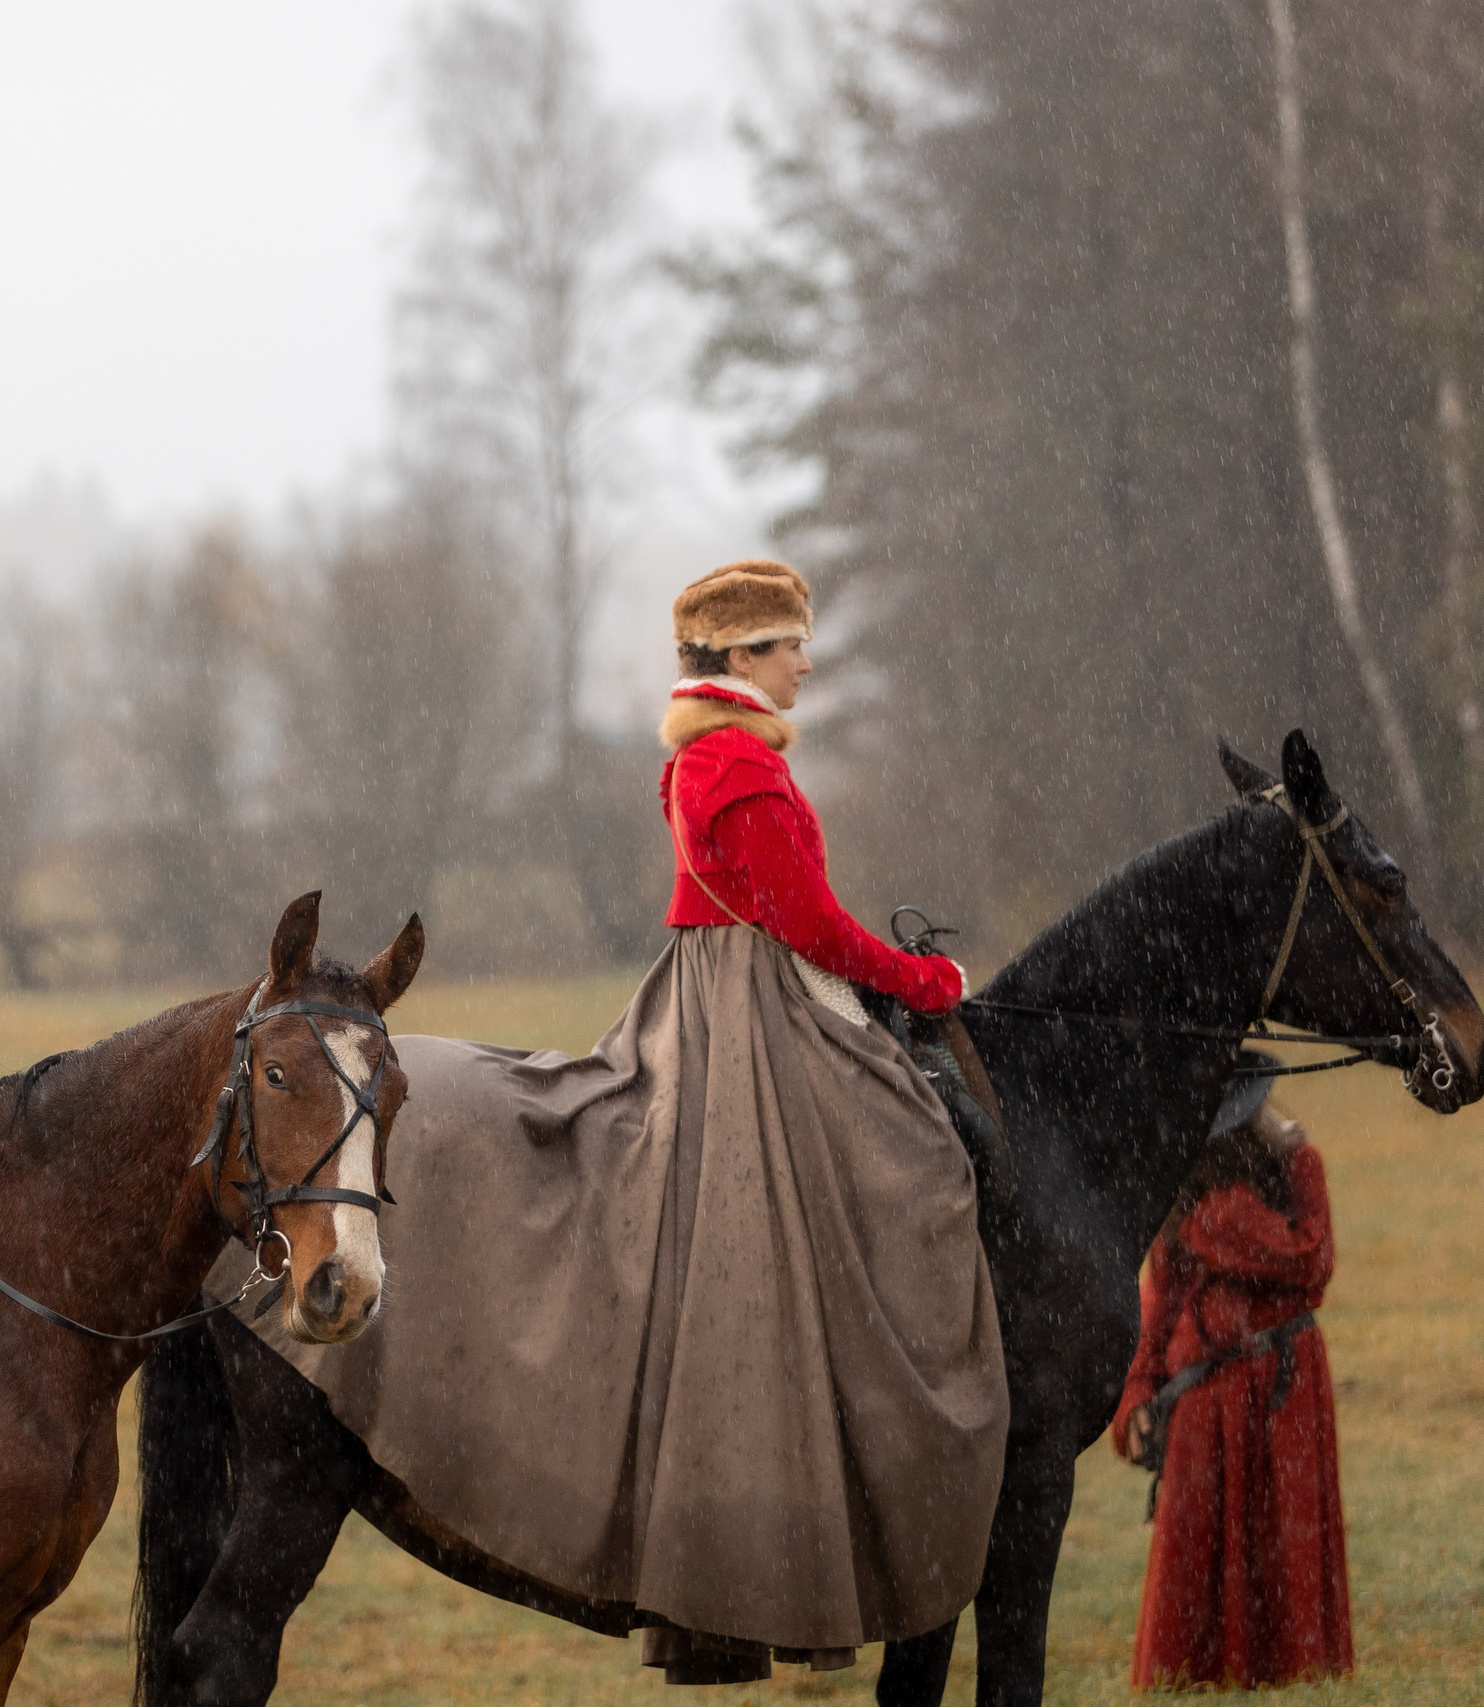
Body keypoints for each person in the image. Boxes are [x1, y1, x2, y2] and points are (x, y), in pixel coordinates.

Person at [246, 558, 1007, 1686]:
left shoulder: (722, 755)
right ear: (743, 654)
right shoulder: (732, 765)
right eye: (791, 643)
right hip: (750, 1009)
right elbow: (799, 919)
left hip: (736, 988)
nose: (805, 660)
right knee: (907, 1164)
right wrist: (919, 979)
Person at [1111, 1077, 1351, 1688]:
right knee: (1188, 1590)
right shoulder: (1183, 1167)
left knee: (1285, 1561)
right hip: (1201, 1398)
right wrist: (1138, 1390)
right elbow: (1161, 1291)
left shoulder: (1296, 1163)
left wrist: (1218, 1218)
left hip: (1282, 1389)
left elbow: (1311, 1263)